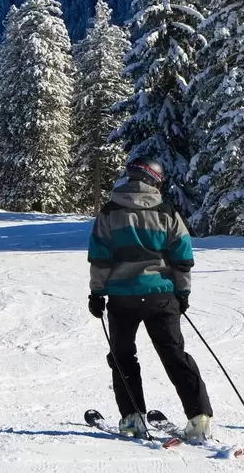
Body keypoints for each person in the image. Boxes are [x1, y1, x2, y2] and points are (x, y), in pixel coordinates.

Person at [87, 160, 214, 443]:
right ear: (154, 180)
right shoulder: (167, 212)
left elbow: (100, 258)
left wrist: (97, 294)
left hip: (122, 297)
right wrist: (182, 294)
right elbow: (182, 258)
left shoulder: (110, 212)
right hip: (161, 296)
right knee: (174, 355)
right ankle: (199, 418)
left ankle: (133, 419)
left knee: (123, 357)